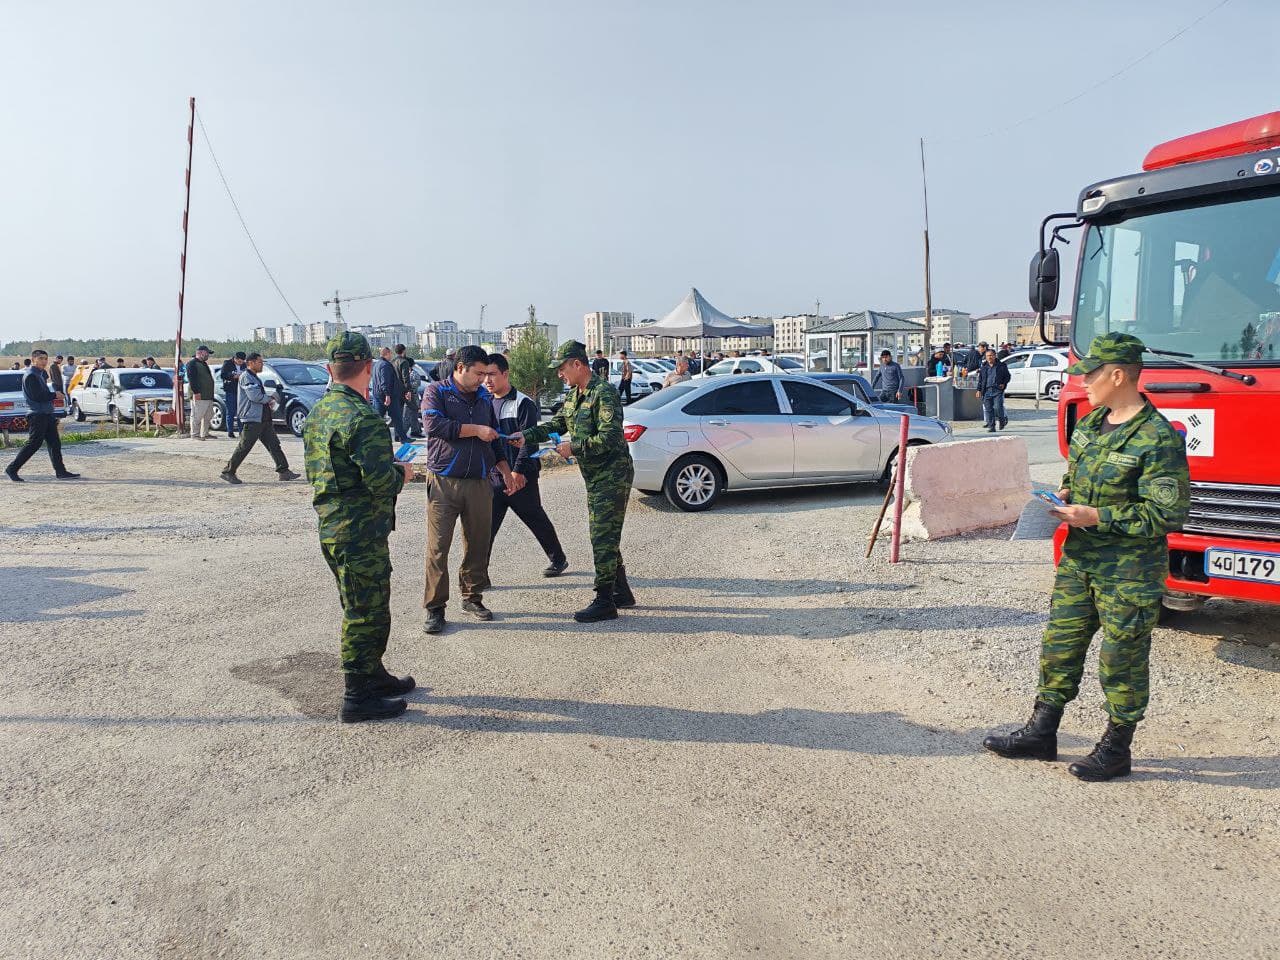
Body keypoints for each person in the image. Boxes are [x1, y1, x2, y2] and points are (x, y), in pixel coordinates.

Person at [983, 333, 1190, 782]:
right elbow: (1076, 477)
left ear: (1119, 375)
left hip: (1128, 572)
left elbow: (1167, 513)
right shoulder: (1091, 424)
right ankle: (1042, 732)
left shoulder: (1157, 438)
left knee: (1122, 658)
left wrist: (1098, 515)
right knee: (1060, 647)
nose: (1082, 381)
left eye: (1091, 374)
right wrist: (1062, 496)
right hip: (1081, 562)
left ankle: (1117, 748)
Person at [303, 332, 414, 723]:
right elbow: (380, 482)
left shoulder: (319, 413)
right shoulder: (362, 418)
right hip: (359, 532)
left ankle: (373, 674)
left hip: (333, 527)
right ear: (368, 367)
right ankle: (356, 696)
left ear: (332, 369)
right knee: (365, 613)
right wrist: (403, 473)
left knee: (358, 605)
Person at [511, 340, 634, 623]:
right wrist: (526, 436)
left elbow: (611, 437)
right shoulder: (575, 394)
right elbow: (558, 423)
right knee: (606, 532)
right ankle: (622, 592)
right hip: (594, 475)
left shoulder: (604, 393)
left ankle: (605, 600)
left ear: (577, 364)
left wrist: (574, 447)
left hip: (612, 474)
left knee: (601, 534)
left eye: (562, 368)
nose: (559, 374)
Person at [420, 344, 518, 634]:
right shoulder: (436, 391)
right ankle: (435, 608)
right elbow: (434, 425)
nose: (483, 379)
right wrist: (475, 430)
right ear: (460, 368)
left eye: (487, 373)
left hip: (479, 481)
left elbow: (495, 438)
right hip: (444, 482)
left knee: (477, 543)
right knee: (439, 547)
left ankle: (472, 597)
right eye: (478, 373)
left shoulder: (484, 399)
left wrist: (505, 470)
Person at [483, 352, 568, 577]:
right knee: (486, 527)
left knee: (535, 518)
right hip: (494, 476)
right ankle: (479, 573)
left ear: (505, 374)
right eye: (484, 375)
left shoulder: (523, 403)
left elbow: (530, 440)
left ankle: (558, 559)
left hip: (521, 476)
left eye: (491, 374)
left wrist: (518, 471)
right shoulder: (485, 402)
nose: (487, 380)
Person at [220, 352, 300, 484]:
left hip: (263, 418)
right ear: (250, 363)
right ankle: (228, 472)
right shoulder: (246, 377)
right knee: (244, 446)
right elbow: (255, 396)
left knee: (274, 445)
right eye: (259, 362)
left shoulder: (253, 377)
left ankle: (284, 471)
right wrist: (270, 398)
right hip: (253, 418)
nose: (262, 364)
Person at [5, 350, 79, 482]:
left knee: (54, 443)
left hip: (46, 414)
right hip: (38, 415)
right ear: (33, 360)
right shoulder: (31, 375)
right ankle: (12, 469)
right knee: (33, 444)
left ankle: (61, 471)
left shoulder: (39, 374)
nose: (44, 361)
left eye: (45, 358)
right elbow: (37, 396)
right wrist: (55, 395)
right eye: (40, 358)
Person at [370, 347, 408, 444]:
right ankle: (403, 438)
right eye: (390, 354)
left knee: (378, 418)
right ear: (387, 353)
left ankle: (374, 439)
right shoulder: (385, 365)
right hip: (388, 396)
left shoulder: (377, 364)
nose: (391, 356)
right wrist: (387, 395)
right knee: (397, 417)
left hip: (378, 395)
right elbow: (384, 381)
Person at [185, 345, 217, 440]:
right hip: (199, 395)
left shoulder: (203, 364)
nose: (208, 355)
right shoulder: (192, 364)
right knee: (197, 415)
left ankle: (205, 433)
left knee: (208, 415)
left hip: (208, 395)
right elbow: (192, 379)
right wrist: (196, 392)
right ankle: (195, 434)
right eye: (206, 353)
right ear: (200, 352)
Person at [975, 349, 1010, 431]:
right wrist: (978, 390)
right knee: (988, 409)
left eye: (991, 355)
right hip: (986, 391)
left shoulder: (1001, 365)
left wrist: (1003, 383)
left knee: (998, 407)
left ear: (995, 356)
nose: (989, 357)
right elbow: (981, 380)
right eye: (987, 356)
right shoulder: (983, 367)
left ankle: (1002, 420)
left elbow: (1008, 376)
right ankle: (992, 426)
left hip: (997, 390)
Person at [391, 344, 417, 441]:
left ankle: (398, 435)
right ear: (404, 350)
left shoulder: (392, 362)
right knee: (413, 408)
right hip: (403, 391)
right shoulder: (404, 362)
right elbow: (406, 378)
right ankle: (409, 432)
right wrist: (408, 391)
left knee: (398, 413)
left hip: (395, 390)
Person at [219, 351, 246, 438]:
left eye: (242, 361)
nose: (241, 363)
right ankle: (230, 431)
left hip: (241, 391)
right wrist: (233, 376)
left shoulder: (244, 365)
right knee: (231, 411)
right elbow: (223, 375)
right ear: (235, 359)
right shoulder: (227, 363)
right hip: (231, 390)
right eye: (239, 361)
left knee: (240, 412)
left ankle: (241, 431)